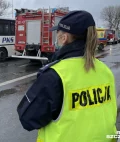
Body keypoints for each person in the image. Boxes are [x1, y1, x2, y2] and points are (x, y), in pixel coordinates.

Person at [17, 10, 117, 142]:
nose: (56, 39)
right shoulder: (105, 71)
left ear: (64, 38)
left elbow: (27, 118)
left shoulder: (55, 75)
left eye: (57, 34)